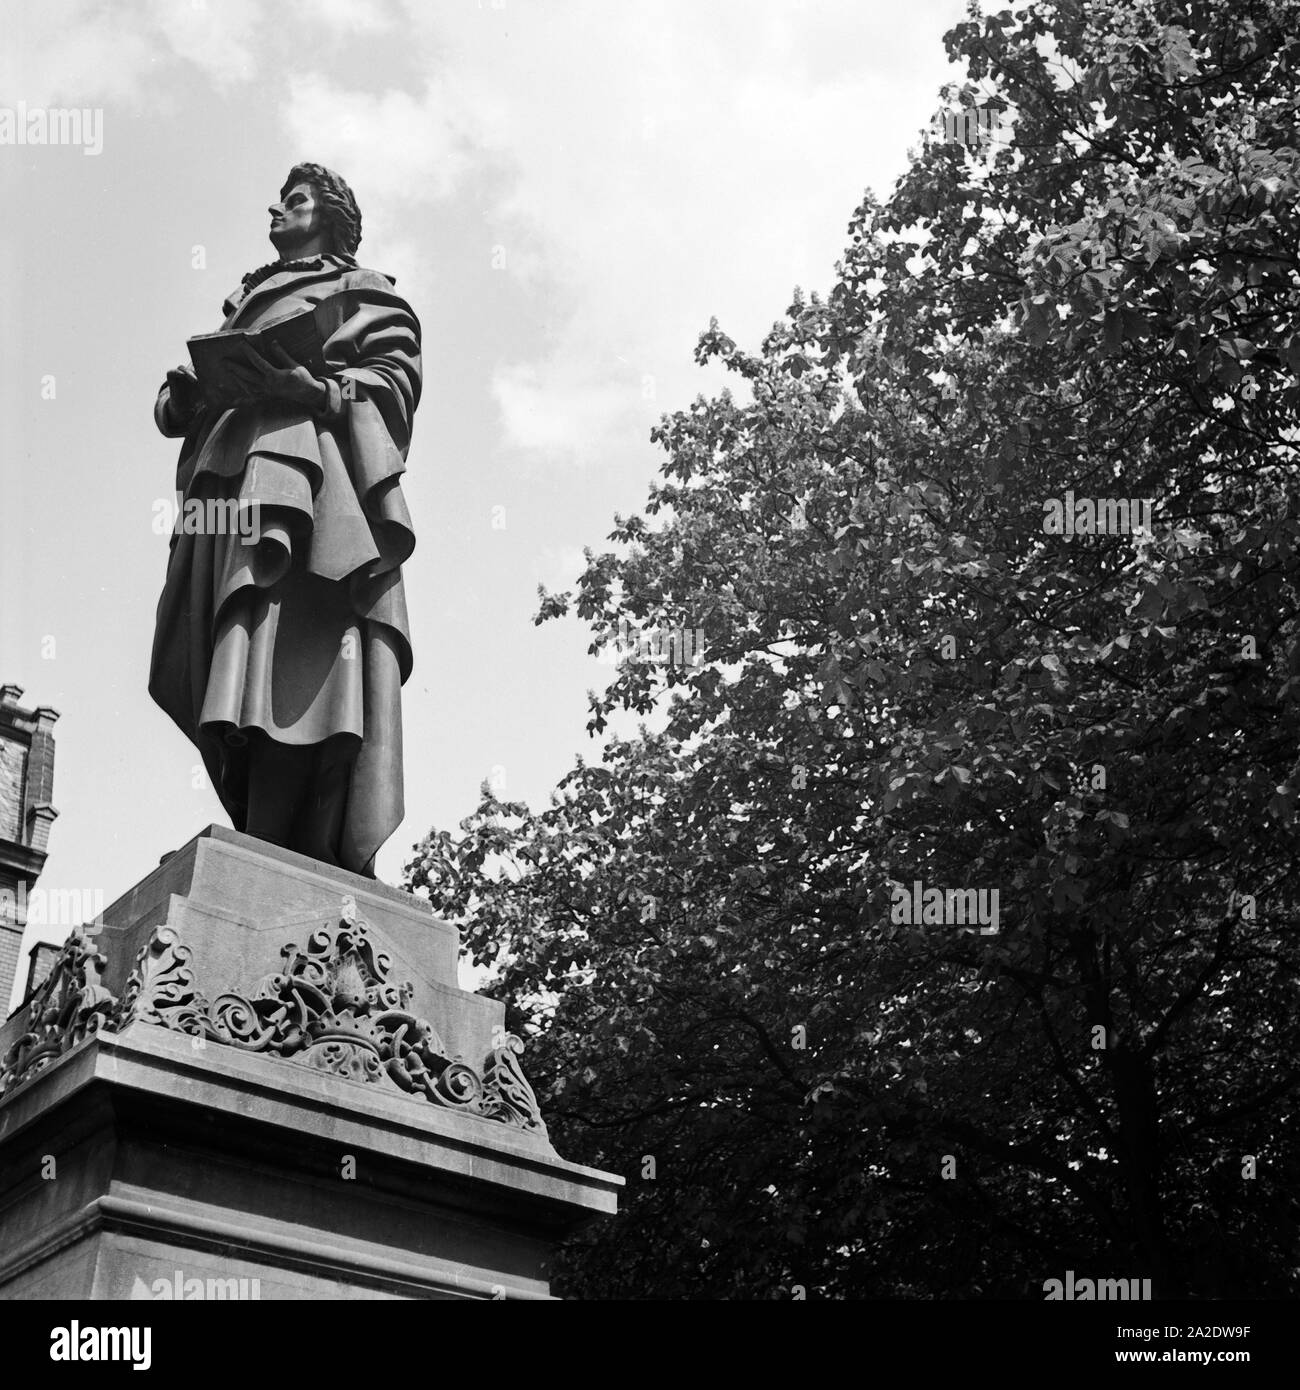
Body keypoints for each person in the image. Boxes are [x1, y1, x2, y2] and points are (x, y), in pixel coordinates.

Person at [150, 163, 422, 877]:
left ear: (328, 217)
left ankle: (282, 836)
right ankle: (258, 826)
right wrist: (181, 400)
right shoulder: (243, 297)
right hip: (227, 482)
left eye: (294, 200)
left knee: (289, 640)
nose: (276, 208)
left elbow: (392, 383)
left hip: (311, 486)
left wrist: (318, 390)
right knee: (219, 642)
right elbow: (179, 405)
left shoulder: (361, 292)